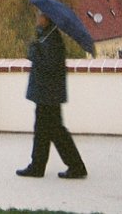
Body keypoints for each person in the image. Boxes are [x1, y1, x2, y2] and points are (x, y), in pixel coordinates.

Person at [16, 11, 88, 179]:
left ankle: (74, 166)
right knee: (44, 130)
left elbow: (49, 66)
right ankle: (38, 166)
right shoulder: (46, 37)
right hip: (47, 92)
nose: (36, 18)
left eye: (39, 16)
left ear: (46, 19)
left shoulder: (52, 40)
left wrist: (33, 51)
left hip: (49, 93)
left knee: (55, 131)